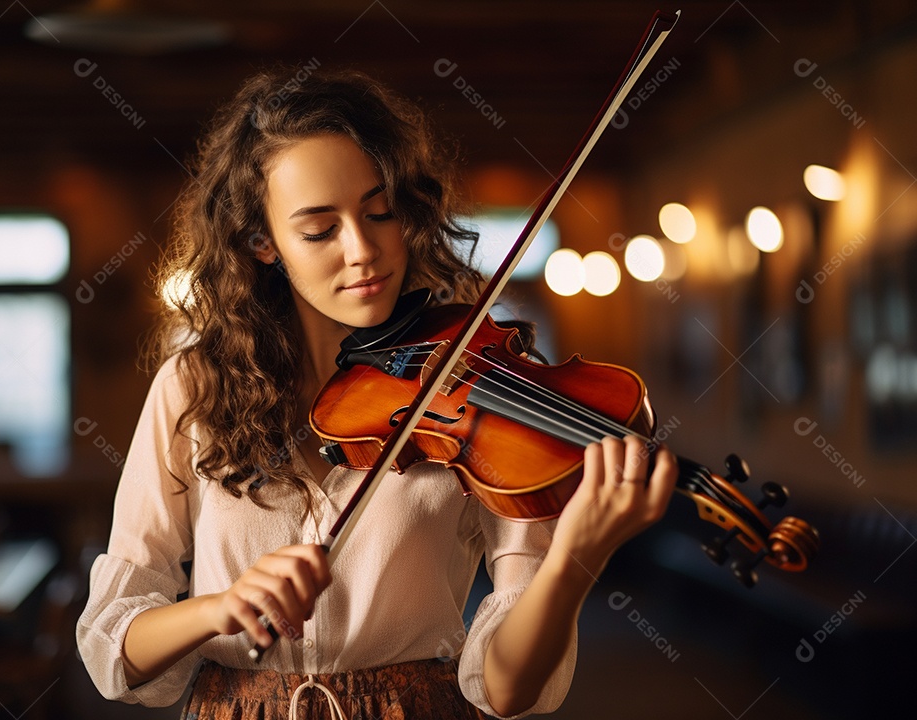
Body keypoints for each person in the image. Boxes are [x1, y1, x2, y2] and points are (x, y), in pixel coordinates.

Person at [76, 67, 678, 719]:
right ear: (262, 243)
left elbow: (506, 689)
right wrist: (218, 607)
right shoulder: (192, 388)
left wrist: (574, 561)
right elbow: (113, 647)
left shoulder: (475, 386)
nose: (363, 250)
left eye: (379, 211)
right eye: (318, 229)